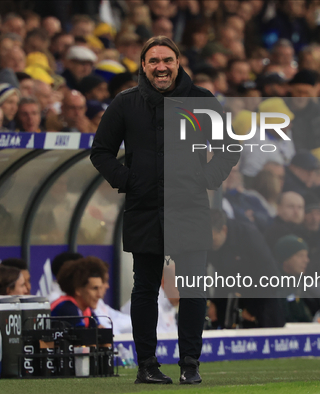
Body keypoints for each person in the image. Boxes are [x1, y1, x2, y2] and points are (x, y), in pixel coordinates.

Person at [90, 36, 239, 385]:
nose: (161, 67)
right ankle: (147, 365)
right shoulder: (125, 103)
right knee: (145, 288)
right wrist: (130, 181)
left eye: (167, 60)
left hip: (189, 205)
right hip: (144, 207)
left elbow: (229, 146)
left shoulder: (202, 100)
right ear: (143, 65)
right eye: (154, 60)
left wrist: (207, 177)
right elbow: (101, 152)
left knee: (192, 288)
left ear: (177, 62)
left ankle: (190, 363)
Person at [50, 256, 107, 327]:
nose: (100, 295)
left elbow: (101, 331)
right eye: (94, 288)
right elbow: (83, 337)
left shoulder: (87, 309)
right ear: (78, 290)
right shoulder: (67, 308)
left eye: (100, 288)